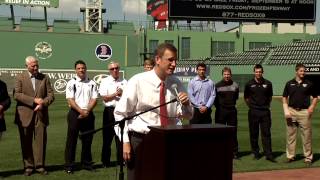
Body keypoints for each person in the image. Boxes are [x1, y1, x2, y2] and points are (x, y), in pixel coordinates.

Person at [114, 43, 193, 180]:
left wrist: (186, 105)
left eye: (175, 60)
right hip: (141, 141)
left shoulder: (176, 83)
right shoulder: (138, 81)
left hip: (169, 141)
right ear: (157, 59)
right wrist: (125, 141)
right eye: (170, 60)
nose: (174, 64)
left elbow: (187, 115)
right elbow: (120, 113)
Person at [14, 56, 55, 176]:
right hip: (24, 115)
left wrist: (43, 103)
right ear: (26, 66)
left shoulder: (44, 78)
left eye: (37, 65)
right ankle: (28, 166)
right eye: (33, 66)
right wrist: (34, 100)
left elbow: (51, 95)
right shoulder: (20, 77)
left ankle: (40, 166)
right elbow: (17, 94)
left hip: (41, 114)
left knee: (40, 141)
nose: (36, 67)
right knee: (25, 141)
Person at [64, 60, 98, 174]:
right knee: (71, 140)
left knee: (87, 140)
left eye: (83, 68)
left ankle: (86, 163)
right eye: (78, 68)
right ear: (75, 70)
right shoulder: (71, 83)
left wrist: (87, 110)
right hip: (75, 113)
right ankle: (69, 165)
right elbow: (70, 100)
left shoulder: (92, 83)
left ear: (86, 69)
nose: (81, 70)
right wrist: (81, 111)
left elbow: (94, 99)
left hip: (88, 113)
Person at [282, 63, 317, 166]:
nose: (303, 72)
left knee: (306, 136)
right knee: (290, 136)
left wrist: (311, 107)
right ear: (296, 71)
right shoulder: (289, 83)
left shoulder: (309, 83)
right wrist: (286, 110)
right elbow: (284, 97)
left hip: (304, 112)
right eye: (301, 71)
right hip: (292, 111)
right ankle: (290, 156)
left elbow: (315, 97)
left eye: (304, 71)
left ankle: (308, 157)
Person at [244, 64, 275, 162]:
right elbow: (246, 98)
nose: (258, 73)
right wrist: (252, 107)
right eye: (256, 72)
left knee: (266, 133)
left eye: (260, 72)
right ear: (254, 72)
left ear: (262, 72)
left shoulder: (268, 83)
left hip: (265, 112)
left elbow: (270, 97)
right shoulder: (249, 84)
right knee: (254, 133)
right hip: (253, 111)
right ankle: (256, 153)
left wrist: (265, 106)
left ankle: (268, 154)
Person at [99, 61, 127, 167]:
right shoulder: (105, 81)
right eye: (112, 69)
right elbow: (105, 98)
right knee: (107, 138)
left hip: (121, 111)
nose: (115, 70)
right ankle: (105, 162)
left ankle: (121, 161)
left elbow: (128, 97)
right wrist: (116, 94)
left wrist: (122, 93)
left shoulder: (125, 81)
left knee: (120, 137)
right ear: (109, 71)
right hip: (109, 111)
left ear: (119, 69)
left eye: (116, 68)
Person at [214, 67, 239, 159]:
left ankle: (234, 152)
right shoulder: (217, 85)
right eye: (225, 74)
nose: (227, 76)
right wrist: (220, 107)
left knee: (233, 132)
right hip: (220, 111)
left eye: (228, 74)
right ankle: (220, 151)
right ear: (222, 75)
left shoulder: (235, 85)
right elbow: (215, 100)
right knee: (220, 132)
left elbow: (235, 97)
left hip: (232, 111)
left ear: (231, 75)